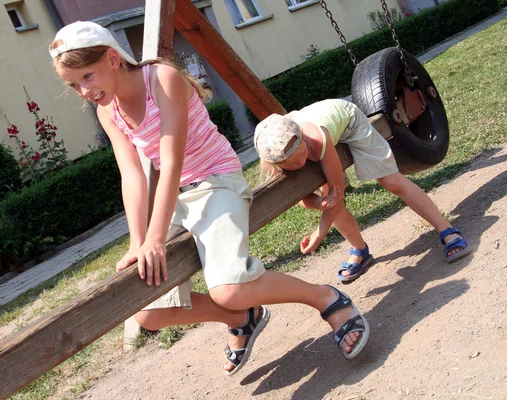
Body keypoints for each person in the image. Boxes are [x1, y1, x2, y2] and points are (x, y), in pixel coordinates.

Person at [49, 21, 370, 375]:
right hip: (173, 200)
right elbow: (133, 176)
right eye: (74, 84)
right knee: (145, 308)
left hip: (214, 180)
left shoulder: (161, 80)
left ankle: (327, 299)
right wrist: (138, 242)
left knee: (229, 287)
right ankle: (240, 318)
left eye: (87, 77)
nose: (83, 90)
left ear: (112, 59)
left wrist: (156, 238)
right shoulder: (108, 111)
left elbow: (171, 160)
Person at [254, 99, 471, 282]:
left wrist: (319, 233)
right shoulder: (275, 162)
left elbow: (337, 193)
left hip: (349, 121)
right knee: (332, 208)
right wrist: (321, 204)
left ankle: (445, 229)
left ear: (303, 139)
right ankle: (359, 250)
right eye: (291, 164)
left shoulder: (316, 139)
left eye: (301, 155)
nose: (300, 164)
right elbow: (304, 199)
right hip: (316, 132)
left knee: (391, 181)